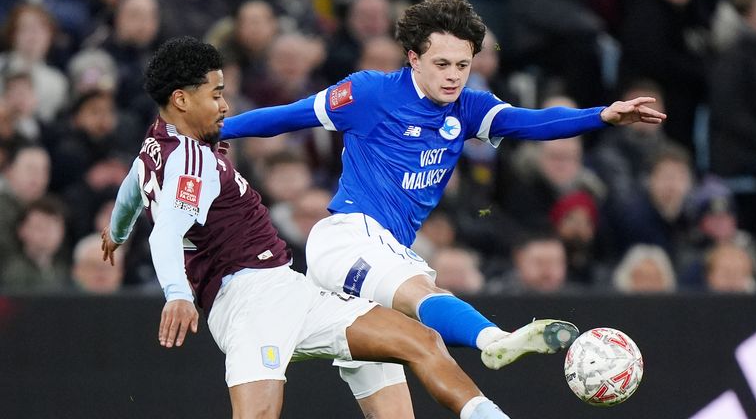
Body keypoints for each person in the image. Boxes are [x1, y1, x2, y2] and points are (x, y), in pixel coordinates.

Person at [220, 0, 666, 417]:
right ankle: (493, 339)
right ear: (413, 58)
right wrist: (213, 131)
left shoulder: (468, 107)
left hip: (369, 270)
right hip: (350, 239)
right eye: (441, 64)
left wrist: (601, 115)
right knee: (425, 295)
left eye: (463, 65)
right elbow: (284, 115)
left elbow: (531, 122)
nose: (453, 76)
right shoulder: (370, 93)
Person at [100, 36, 511, 419]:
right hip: (248, 304)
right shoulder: (193, 162)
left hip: (290, 289)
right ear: (181, 100)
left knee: (422, 342)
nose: (226, 105)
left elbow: (132, 190)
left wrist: (116, 234)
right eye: (216, 94)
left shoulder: (157, 144)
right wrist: (176, 294)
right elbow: (166, 232)